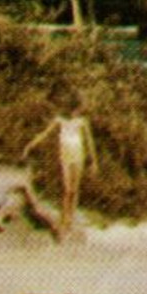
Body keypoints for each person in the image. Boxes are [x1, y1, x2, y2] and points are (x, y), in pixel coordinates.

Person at [21, 101, 100, 237]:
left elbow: (89, 142)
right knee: (66, 189)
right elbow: (44, 133)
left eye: (77, 110)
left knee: (74, 190)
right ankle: (63, 221)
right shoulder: (59, 121)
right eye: (73, 110)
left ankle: (70, 219)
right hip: (65, 157)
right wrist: (30, 145)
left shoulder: (82, 122)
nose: (74, 112)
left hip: (78, 156)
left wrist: (93, 161)